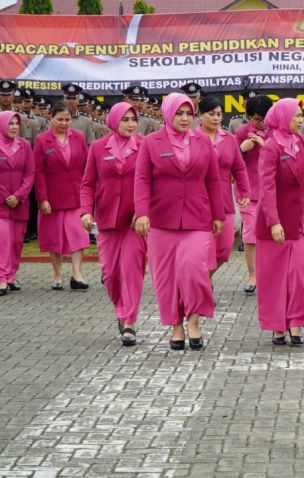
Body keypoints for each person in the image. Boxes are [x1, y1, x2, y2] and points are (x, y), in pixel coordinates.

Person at [134, 93, 224, 350]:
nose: (185, 119)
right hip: (162, 221)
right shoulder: (151, 142)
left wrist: (218, 215)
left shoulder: (203, 142)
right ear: (167, 114)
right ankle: (176, 327)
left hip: (198, 218)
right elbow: (141, 180)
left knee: (194, 271)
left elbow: (213, 180)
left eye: (188, 114)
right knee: (167, 278)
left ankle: (194, 320)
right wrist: (142, 213)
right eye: (179, 114)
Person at [80, 102, 147, 346]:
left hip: (134, 222)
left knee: (131, 271)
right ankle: (121, 309)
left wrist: (142, 211)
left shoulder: (144, 146)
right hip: (106, 219)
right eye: (125, 119)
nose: (131, 124)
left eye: (133, 119)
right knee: (110, 274)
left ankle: (129, 321)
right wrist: (85, 212)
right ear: (114, 121)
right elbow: (87, 184)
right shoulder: (98, 148)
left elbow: (151, 181)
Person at [256, 98, 304, 345]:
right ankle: (277, 325)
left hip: (299, 222)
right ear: (282, 118)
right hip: (275, 224)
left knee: (300, 275)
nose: (301, 120)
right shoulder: (271, 147)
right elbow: (267, 187)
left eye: (302, 115)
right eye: (296, 116)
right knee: (274, 277)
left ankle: (296, 322)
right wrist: (274, 222)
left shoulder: (302, 142)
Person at [34, 102, 90, 290]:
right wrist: (43, 198)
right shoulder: (42, 140)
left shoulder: (79, 137)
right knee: (54, 237)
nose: (65, 123)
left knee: (78, 235)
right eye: (60, 119)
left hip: (76, 195)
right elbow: (39, 171)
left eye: (67, 119)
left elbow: (87, 167)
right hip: (53, 198)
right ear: (51, 118)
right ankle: (57, 275)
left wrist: (88, 193)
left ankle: (77, 274)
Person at [195, 96, 251, 277]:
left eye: (219, 114)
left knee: (224, 248)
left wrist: (245, 191)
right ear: (200, 115)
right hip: (198, 201)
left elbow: (239, 167)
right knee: (203, 249)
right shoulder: (191, 138)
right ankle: (200, 285)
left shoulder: (229, 139)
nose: (216, 118)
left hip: (224, 200)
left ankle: (204, 278)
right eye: (211, 114)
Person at [235, 95, 274, 294]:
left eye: (264, 118)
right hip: (248, 191)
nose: (260, 123)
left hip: (273, 192)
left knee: (272, 234)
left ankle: (270, 273)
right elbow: (230, 158)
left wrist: (265, 144)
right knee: (250, 235)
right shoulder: (242, 132)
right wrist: (242, 149)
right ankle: (253, 275)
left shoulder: (277, 132)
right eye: (256, 119)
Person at [0, 111, 35, 296]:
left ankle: (12, 275)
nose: (14, 127)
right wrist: (6, 196)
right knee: (3, 241)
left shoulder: (25, 145)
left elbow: (30, 174)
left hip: (20, 203)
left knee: (16, 243)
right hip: (1, 204)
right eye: (10, 123)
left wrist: (19, 195)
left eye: (16, 123)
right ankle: (2, 278)